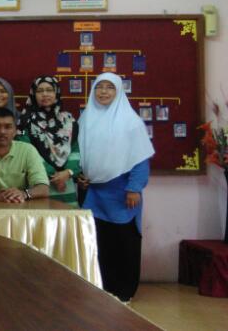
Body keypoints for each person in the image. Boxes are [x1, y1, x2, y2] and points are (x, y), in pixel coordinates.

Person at [78, 72, 154, 303]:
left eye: (109, 87)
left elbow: (140, 158)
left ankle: (124, 291)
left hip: (122, 192)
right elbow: (80, 154)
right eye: (99, 87)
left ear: (119, 91)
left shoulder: (131, 122)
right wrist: (82, 176)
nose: (103, 92)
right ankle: (102, 287)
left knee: (124, 242)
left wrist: (134, 187)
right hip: (94, 192)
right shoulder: (86, 119)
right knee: (100, 241)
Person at [17, 76, 81, 207]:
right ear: (33, 94)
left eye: (49, 90)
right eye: (40, 91)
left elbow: (75, 149)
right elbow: (26, 150)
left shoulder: (68, 120)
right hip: (38, 182)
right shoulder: (25, 121)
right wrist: (55, 175)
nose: (45, 94)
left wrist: (68, 172)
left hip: (66, 183)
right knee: (40, 217)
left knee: (67, 217)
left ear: (56, 92)